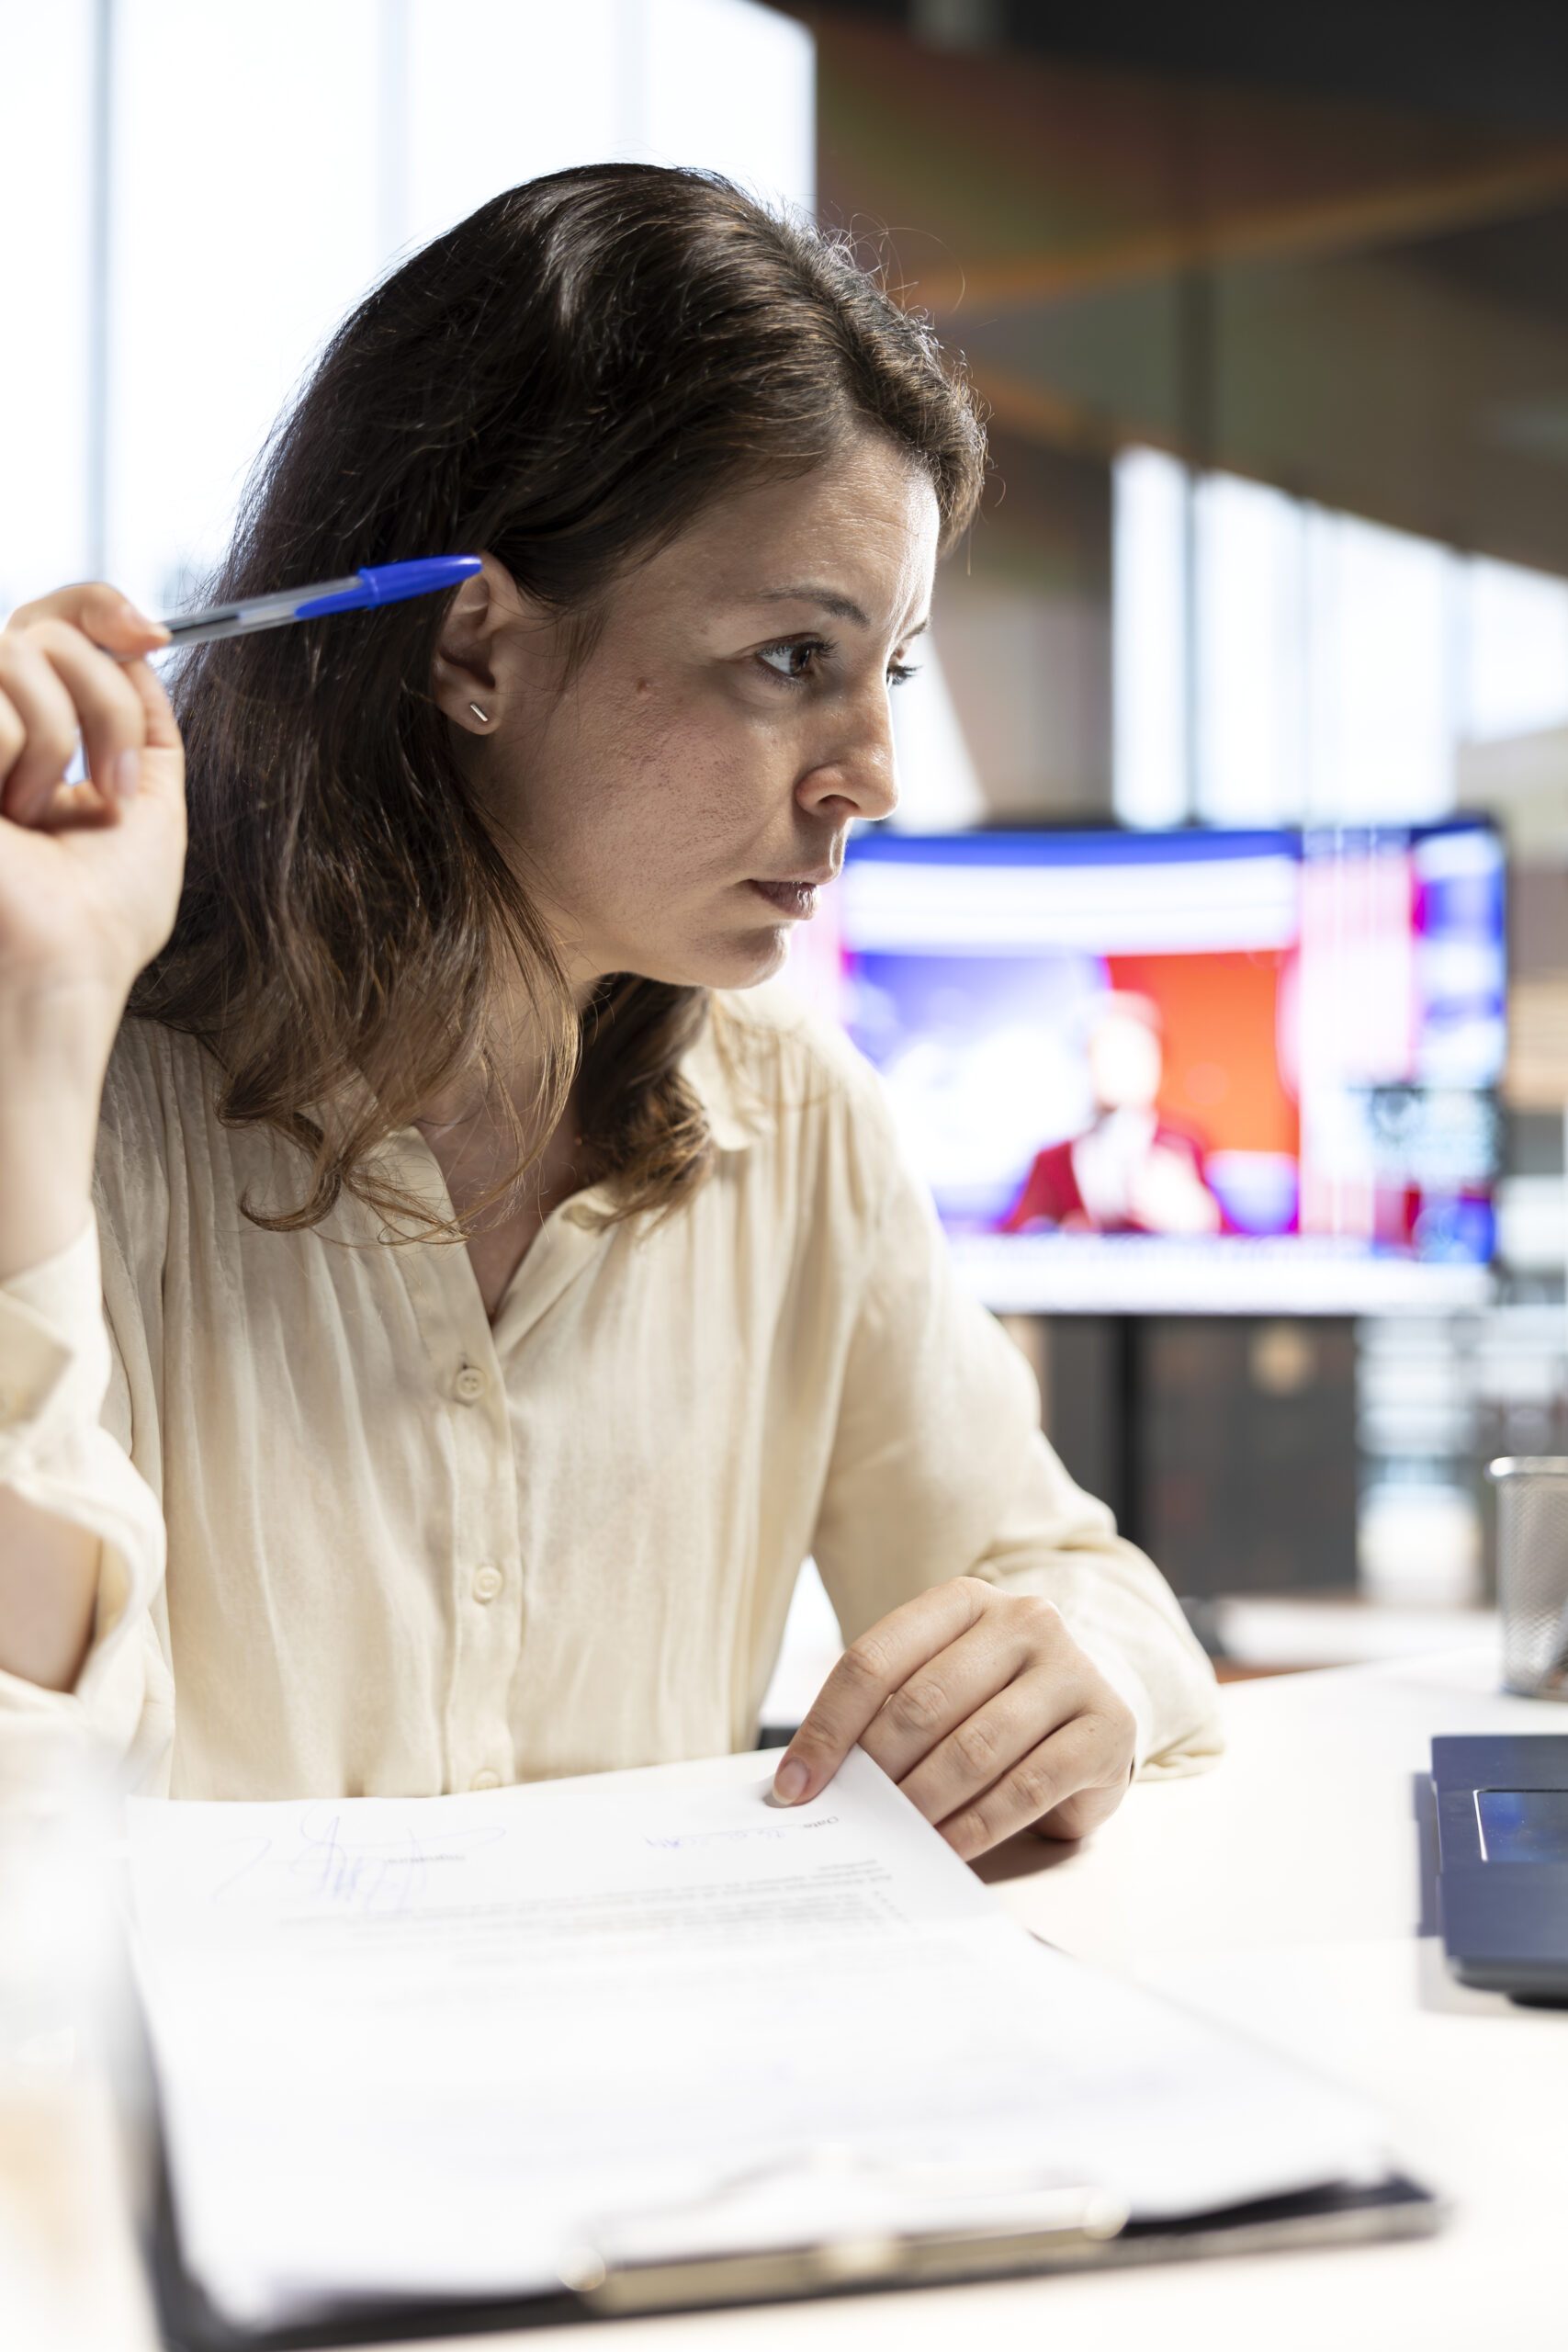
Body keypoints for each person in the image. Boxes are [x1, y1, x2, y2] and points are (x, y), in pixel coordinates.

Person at [0, 166, 1218, 1855]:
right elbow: (27, 1799)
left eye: (894, 670)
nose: (872, 773)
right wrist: (39, 1027)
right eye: (794, 658)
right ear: (472, 647)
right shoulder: (78, 1103)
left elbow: (1073, 1583)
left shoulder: (794, 1122)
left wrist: (1082, 1667)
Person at [1000, 992, 1221, 1238]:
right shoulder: (1052, 1161)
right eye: (1104, 1051)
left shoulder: (1184, 1146)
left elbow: (1244, 1243)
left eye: (1133, 1053)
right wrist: (1053, 1236)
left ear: (1160, 1066)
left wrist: (1197, 1218)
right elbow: (1012, 1238)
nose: (1117, 1066)